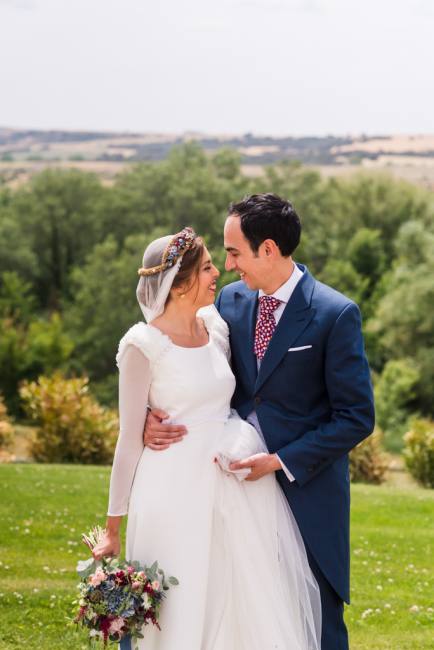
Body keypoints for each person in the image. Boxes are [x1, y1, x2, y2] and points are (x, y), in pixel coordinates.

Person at [144, 194, 375, 650]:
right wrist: (151, 412)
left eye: (234, 252)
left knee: (318, 626)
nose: (228, 266)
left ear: (268, 249)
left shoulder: (334, 314)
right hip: (231, 495)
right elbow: (173, 353)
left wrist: (280, 461)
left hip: (305, 492)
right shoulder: (229, 302)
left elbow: (356, 417)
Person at [93, 226, 321, 650]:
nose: (220, 272)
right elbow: (128, 440)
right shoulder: (142, 345)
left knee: (235, 598)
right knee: (180, 602)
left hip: (230, 484)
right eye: (208, 267)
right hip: (171, 490)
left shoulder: (215, 325)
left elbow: (231, 396)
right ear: (179, 285)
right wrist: (111, 527)